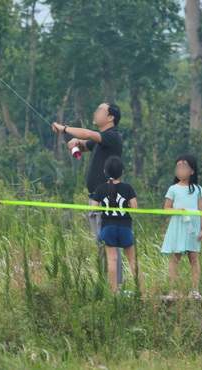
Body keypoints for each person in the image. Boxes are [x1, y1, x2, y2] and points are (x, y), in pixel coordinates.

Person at [52, 102, 125, 285]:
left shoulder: (112, 136)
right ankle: (108, 286)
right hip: (96, 199)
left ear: (110, 118)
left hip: (107, 199)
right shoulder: (102, 141)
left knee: (110, 246)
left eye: (100, 110)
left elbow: (88, 134)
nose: (96, 113)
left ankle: (116, 289)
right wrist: (76, 143)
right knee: (102, 245)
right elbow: (86, 143)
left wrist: (65, 129)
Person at [91, 156, 145, 293]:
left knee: (112, 259)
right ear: (122, 172)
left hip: (108, 226)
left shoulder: (100, 188)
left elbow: (94, 208)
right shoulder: (128, 188)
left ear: (105, 171)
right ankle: (142, 291)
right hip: (124, 227)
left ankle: (114, 290)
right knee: (132, 259)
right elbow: (134, 208)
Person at [161, 154, 202, 299]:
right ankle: (173, 290)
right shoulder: (173, 189)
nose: (181, 170)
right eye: (178, 167)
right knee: (175, 258)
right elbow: (166, 208)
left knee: (194, 258)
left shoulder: (198, 189)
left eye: (184, 167)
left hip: (193, 226)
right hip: (178, 225)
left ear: (192, 171)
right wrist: (176, 210)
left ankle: (194, 290)